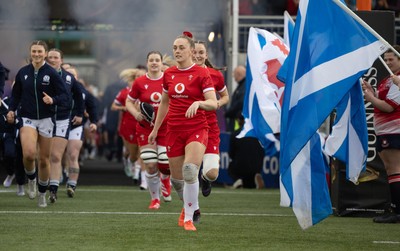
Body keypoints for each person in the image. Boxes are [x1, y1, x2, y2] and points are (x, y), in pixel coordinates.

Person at [148, 34, 218, 231]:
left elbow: (213, 103)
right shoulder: (168, 74)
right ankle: (192, 207)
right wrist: (155, 129)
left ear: (191, 51)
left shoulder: (202, 73)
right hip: (173, 130)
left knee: (190, 171)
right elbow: (164, 102)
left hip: (197, 128)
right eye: (174, 47)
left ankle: (188, 219)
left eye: (181, 47)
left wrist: (199, 102)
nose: (177, 51)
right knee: (177, 181)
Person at [7, 40, 68, 207]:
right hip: (27, 117)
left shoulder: (52, 73)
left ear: (45, 54)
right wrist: (11, 110)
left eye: (40, 51)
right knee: (28, 154)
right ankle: (31, 179)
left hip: (47, 119)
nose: (36, 54)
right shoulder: (22, 73)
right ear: (30, 53)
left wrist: (52, 99)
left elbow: (65, 97)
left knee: (43, 159)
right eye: (34, 51)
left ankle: (42, 193)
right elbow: (15, 95)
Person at [126, 51, 172, 209]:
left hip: (166, 129)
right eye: (151, 60)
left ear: (161, 63)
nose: (154, 63)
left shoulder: (169, 79)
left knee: (165, 164)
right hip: (145, 129)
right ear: (147, 63)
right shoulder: (139, 82)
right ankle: (155, 199)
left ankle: (165, 180)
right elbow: (129, 102)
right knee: (151, 165)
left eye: (157, 60)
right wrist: (136, 114)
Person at [362, 45, 400, 223]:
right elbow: (383, 99)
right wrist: (372, 91)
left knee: (394, 169)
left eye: (391, 59)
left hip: (394, 131)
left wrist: (370, 99)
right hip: (386, 130)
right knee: (391, 170)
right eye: (386, 59)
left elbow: (388, 106)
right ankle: (394, 208)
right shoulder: (388, 79)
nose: (388, 62)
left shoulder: (398, 79)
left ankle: (397, 211)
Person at [46, 48, 84, 203]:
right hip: (43, 118)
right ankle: (40, 182)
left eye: (56, 57)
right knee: (40, 156)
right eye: (50, 57)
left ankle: (53, 190)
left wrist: (80, 114)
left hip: (62, 118)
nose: (53, 60)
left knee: (56, 156)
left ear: (61, 60)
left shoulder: (69, 77)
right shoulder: (42, 74)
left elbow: (79, 96)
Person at [192, 40, 229, 197]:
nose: (198, 55)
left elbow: (226, 96)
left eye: (201, 52)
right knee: (189, 170)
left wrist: (218, 103)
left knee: (213, 173)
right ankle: (191, 208)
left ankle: (205, 178)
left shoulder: (215, 75)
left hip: (210, 127)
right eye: (194, 52)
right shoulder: (181, 72)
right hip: (190, 126)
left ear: (206, 55)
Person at [64, 66, 98, 198]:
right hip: (57, 125)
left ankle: (72, 184)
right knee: (55, 156)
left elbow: (92, 106)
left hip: (75, 127)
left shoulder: (84, 92)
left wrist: (94, 122)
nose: (71, 77)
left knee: (73, 155)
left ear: (77, 77)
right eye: (68, 74)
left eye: (73, 75)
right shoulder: (57, 88)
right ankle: (52, 181)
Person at [111, 68, 144, 181]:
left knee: (143, 152)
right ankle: (130, 161)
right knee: (133, 154)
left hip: (144, 126)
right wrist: (124, 108)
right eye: (138, 76)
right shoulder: (126, 92)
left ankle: (138, 175)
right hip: (129, 126)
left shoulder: (149, 90)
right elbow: (113, 106)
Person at [228, 115, 265, 189]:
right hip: (257, 167)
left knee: (231, 167)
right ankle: (255, 179)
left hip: (241, 167)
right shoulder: (258, 134)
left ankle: (238, 180)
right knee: (250, 181)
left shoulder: (235, 134)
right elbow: (262, 152)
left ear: (239, 121)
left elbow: (231, 154)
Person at [225, 65, 246, 133]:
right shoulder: (242, 86)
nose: (233, 77)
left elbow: (240, 103)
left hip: (238, 122)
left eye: (234, 74)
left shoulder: (243, 87)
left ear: (239, 74)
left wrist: (228, 112)